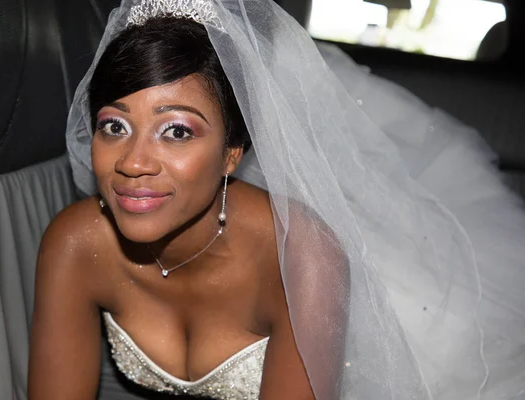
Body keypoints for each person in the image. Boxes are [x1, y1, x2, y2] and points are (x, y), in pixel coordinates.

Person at [28, 0, 525, 399]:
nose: (133, 162)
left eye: (176, 131)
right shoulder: (75, 244)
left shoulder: (305, 258)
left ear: (231, 154)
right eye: (114, 126)